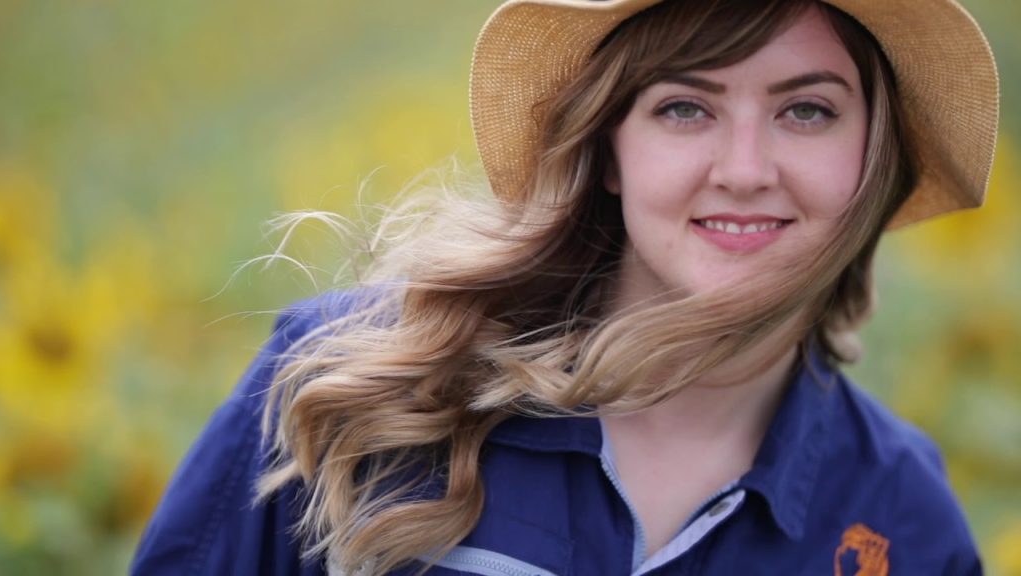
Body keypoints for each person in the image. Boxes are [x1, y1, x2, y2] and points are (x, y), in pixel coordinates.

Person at [132, 0, 999, 574]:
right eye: (684, 108)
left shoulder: (902, 521)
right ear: (609, 152)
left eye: (806, 110)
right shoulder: (351, 387)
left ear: (870, 162)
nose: (744, 170)